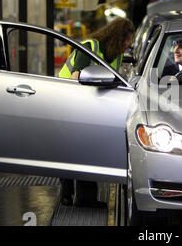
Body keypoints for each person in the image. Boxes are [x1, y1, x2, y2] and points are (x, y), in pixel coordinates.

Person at [58, 17, 135, 208]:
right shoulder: (90, 46)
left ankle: (81, 196)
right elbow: (77, 77)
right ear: (118, 37)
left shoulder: (115, 55)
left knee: (82, 149)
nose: (129, 45)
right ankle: (71, 194)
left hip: (89, 104)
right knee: (74, 148)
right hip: (68, 100)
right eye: (127, 40)